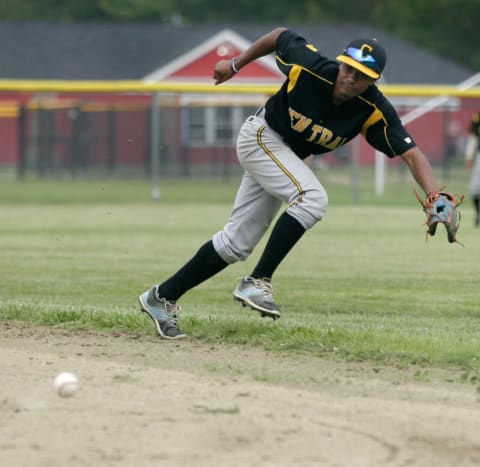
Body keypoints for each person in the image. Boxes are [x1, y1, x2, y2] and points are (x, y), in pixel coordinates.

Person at [139, 27, 440, 339]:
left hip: (281, 157)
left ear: (373, 81)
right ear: (341, 64)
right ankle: (258, 281)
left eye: (361, 75)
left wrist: (434, 197)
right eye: (348, 69)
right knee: (312, 198)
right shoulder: (310, 67)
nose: (351, 78)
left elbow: (413, 155)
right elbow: (280, 35)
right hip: (261, 136)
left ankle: (161, 297)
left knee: (235, 244)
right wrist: (236, 64)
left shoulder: (372, 110)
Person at [464, 111, 480, 226]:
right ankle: (478, 214)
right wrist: (469, 156)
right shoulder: (477, 118)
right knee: (475, 188)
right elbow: (474, 138)